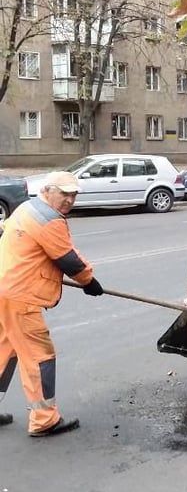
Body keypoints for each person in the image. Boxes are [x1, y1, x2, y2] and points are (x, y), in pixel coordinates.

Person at [0, 171, 103, 437]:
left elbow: (7, 231)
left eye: (73, 195)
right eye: (64, 194)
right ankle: (44, 419)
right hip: (20, 297)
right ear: (48, 190)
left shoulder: (26, 207)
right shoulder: (49, 220)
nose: (69, 200)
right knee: (40, 357)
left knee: (5, 350)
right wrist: (88, 281)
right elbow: (67, 258)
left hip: (4, 288)